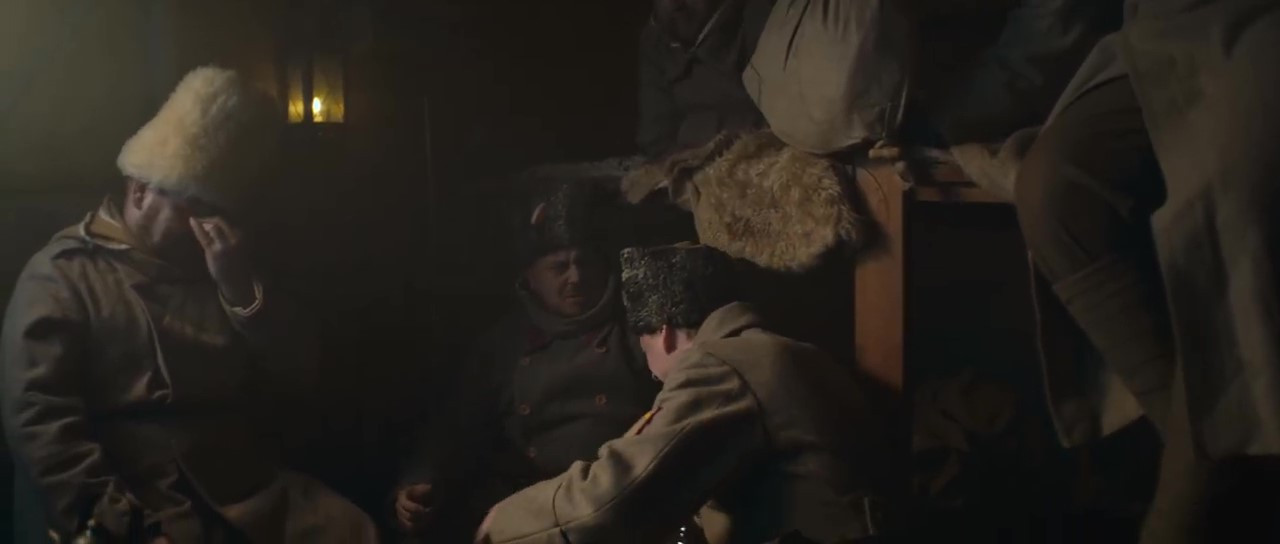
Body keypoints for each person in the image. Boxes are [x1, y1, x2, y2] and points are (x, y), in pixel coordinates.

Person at [0, 67, 377, 543]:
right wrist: (116, 523)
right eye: (192, 207)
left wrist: (240, 290)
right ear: (140, 192)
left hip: (240, 484)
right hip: (135, 491)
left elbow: (299, 372)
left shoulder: (222, 264)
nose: (205, 226)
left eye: (216, 210)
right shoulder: (63, 274)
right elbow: (41, 422)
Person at [1014, 0, 1280, 541]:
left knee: (1231, 198)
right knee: (1054, 189)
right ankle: (1227, 465)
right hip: (1167, 26)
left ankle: (1196, 491)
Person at [475, 243, 892, 544]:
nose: (653, 372)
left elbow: (615, 494)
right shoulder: (793, 353)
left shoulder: (720, 364)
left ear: (665, 333)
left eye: (646, 350)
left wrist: (506, 521)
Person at [393, 181, 660, 541]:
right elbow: (455, 425)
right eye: (559, 267)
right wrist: (420, 480)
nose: (576, 277)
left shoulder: (638, 333)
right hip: (526, 511)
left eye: (584, 262)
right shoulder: (503, 346)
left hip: (613, 507)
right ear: (531, 277)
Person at [637, 0, 774, 158]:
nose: (676, 3)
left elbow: (779, 123)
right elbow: (656, 139)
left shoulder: (758, 18)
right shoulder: (656, 41)